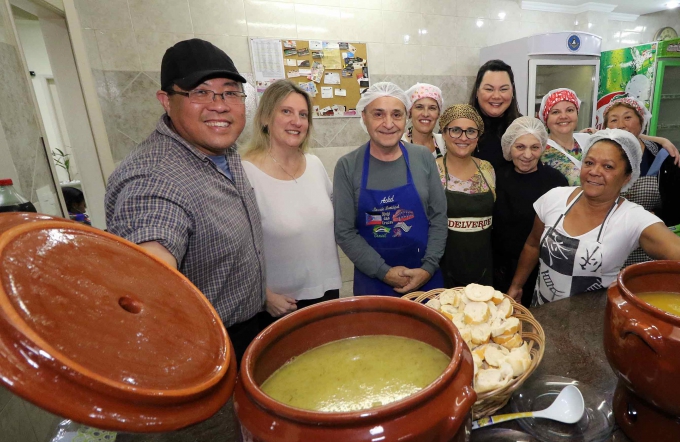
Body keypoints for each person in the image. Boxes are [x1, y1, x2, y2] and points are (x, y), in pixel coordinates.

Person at [105, 39, 267, 360]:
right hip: (204, 348)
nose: (219, 105)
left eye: (230, 92)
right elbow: (151, 260)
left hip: (251, 325)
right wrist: (148, 281)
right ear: (166, 100)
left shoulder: (221, 146)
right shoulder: (153, 176)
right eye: (200, 92)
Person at [506, 129, 680, 306]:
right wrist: (516, 285)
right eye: (589, 163)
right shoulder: (555, 198)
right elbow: (532, 245)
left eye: (608, 166)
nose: (594, 171)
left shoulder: (632, 218)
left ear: (627, 177)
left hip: (591, 324)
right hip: (543, 311)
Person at [333, 82, 446, 296]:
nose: (388, 123)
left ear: (406, 118)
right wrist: (383, 272)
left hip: (426, 277)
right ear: (364, 117)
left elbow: (439, 217)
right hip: (373, 280)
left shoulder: (422, 157)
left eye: (396, 114)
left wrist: (428, 267)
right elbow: (345, 232)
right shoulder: (348, 166)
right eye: (378, 114)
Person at [241, 80, 341, 318]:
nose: (297, 121)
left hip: (327, 291)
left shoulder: (315, 165)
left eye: (303, 114)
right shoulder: (246, 172)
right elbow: (236, 249)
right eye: (286, 111)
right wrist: (263, 295)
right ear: (265, 118)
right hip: (281, 303)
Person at [602, 96, 680, 267]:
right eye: (614, 119)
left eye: (628, 117)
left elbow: (678, 208)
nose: (621, 125)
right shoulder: (600, 154)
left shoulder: (662, 157)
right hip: (607, 246)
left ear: (641, 122)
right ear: (606, 127)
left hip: (648, 246)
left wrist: (644, 221)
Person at [492, 116, 568, 306]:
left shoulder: (556, 182)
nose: (527, 154)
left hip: (541, 269)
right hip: (498, 267)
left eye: (534, 147)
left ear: (542, 147)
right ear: (509, 147)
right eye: (520, 147)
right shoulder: (495, 176)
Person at [539, 88, 680, 187]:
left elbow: (622, 135)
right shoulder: (539, 149)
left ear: (577, 114)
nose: (563, 116)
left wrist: (662, 141)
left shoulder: (589, 138)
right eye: (555, 112)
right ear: (545, 118)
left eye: (570, 110)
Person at [436, 104, 495, 287]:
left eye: (471, 131)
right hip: (443, 269)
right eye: (455, 130)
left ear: (478, 136)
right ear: (444, 133)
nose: (463, 137)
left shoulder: (487, 169)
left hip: (483, 267)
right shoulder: (433, 169)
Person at [470, 60, 522, 171]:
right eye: (489, 89)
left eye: (503, 89)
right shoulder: (458, 126)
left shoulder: (524, 127)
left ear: (512, 91)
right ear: (477, 91)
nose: (496, 96)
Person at [402, 83, 445, 158]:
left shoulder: (445, 143)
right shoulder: (399, 144)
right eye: (419, 107)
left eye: (432, 108)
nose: (425, 114)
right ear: (410, 112)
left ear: (438, 114)